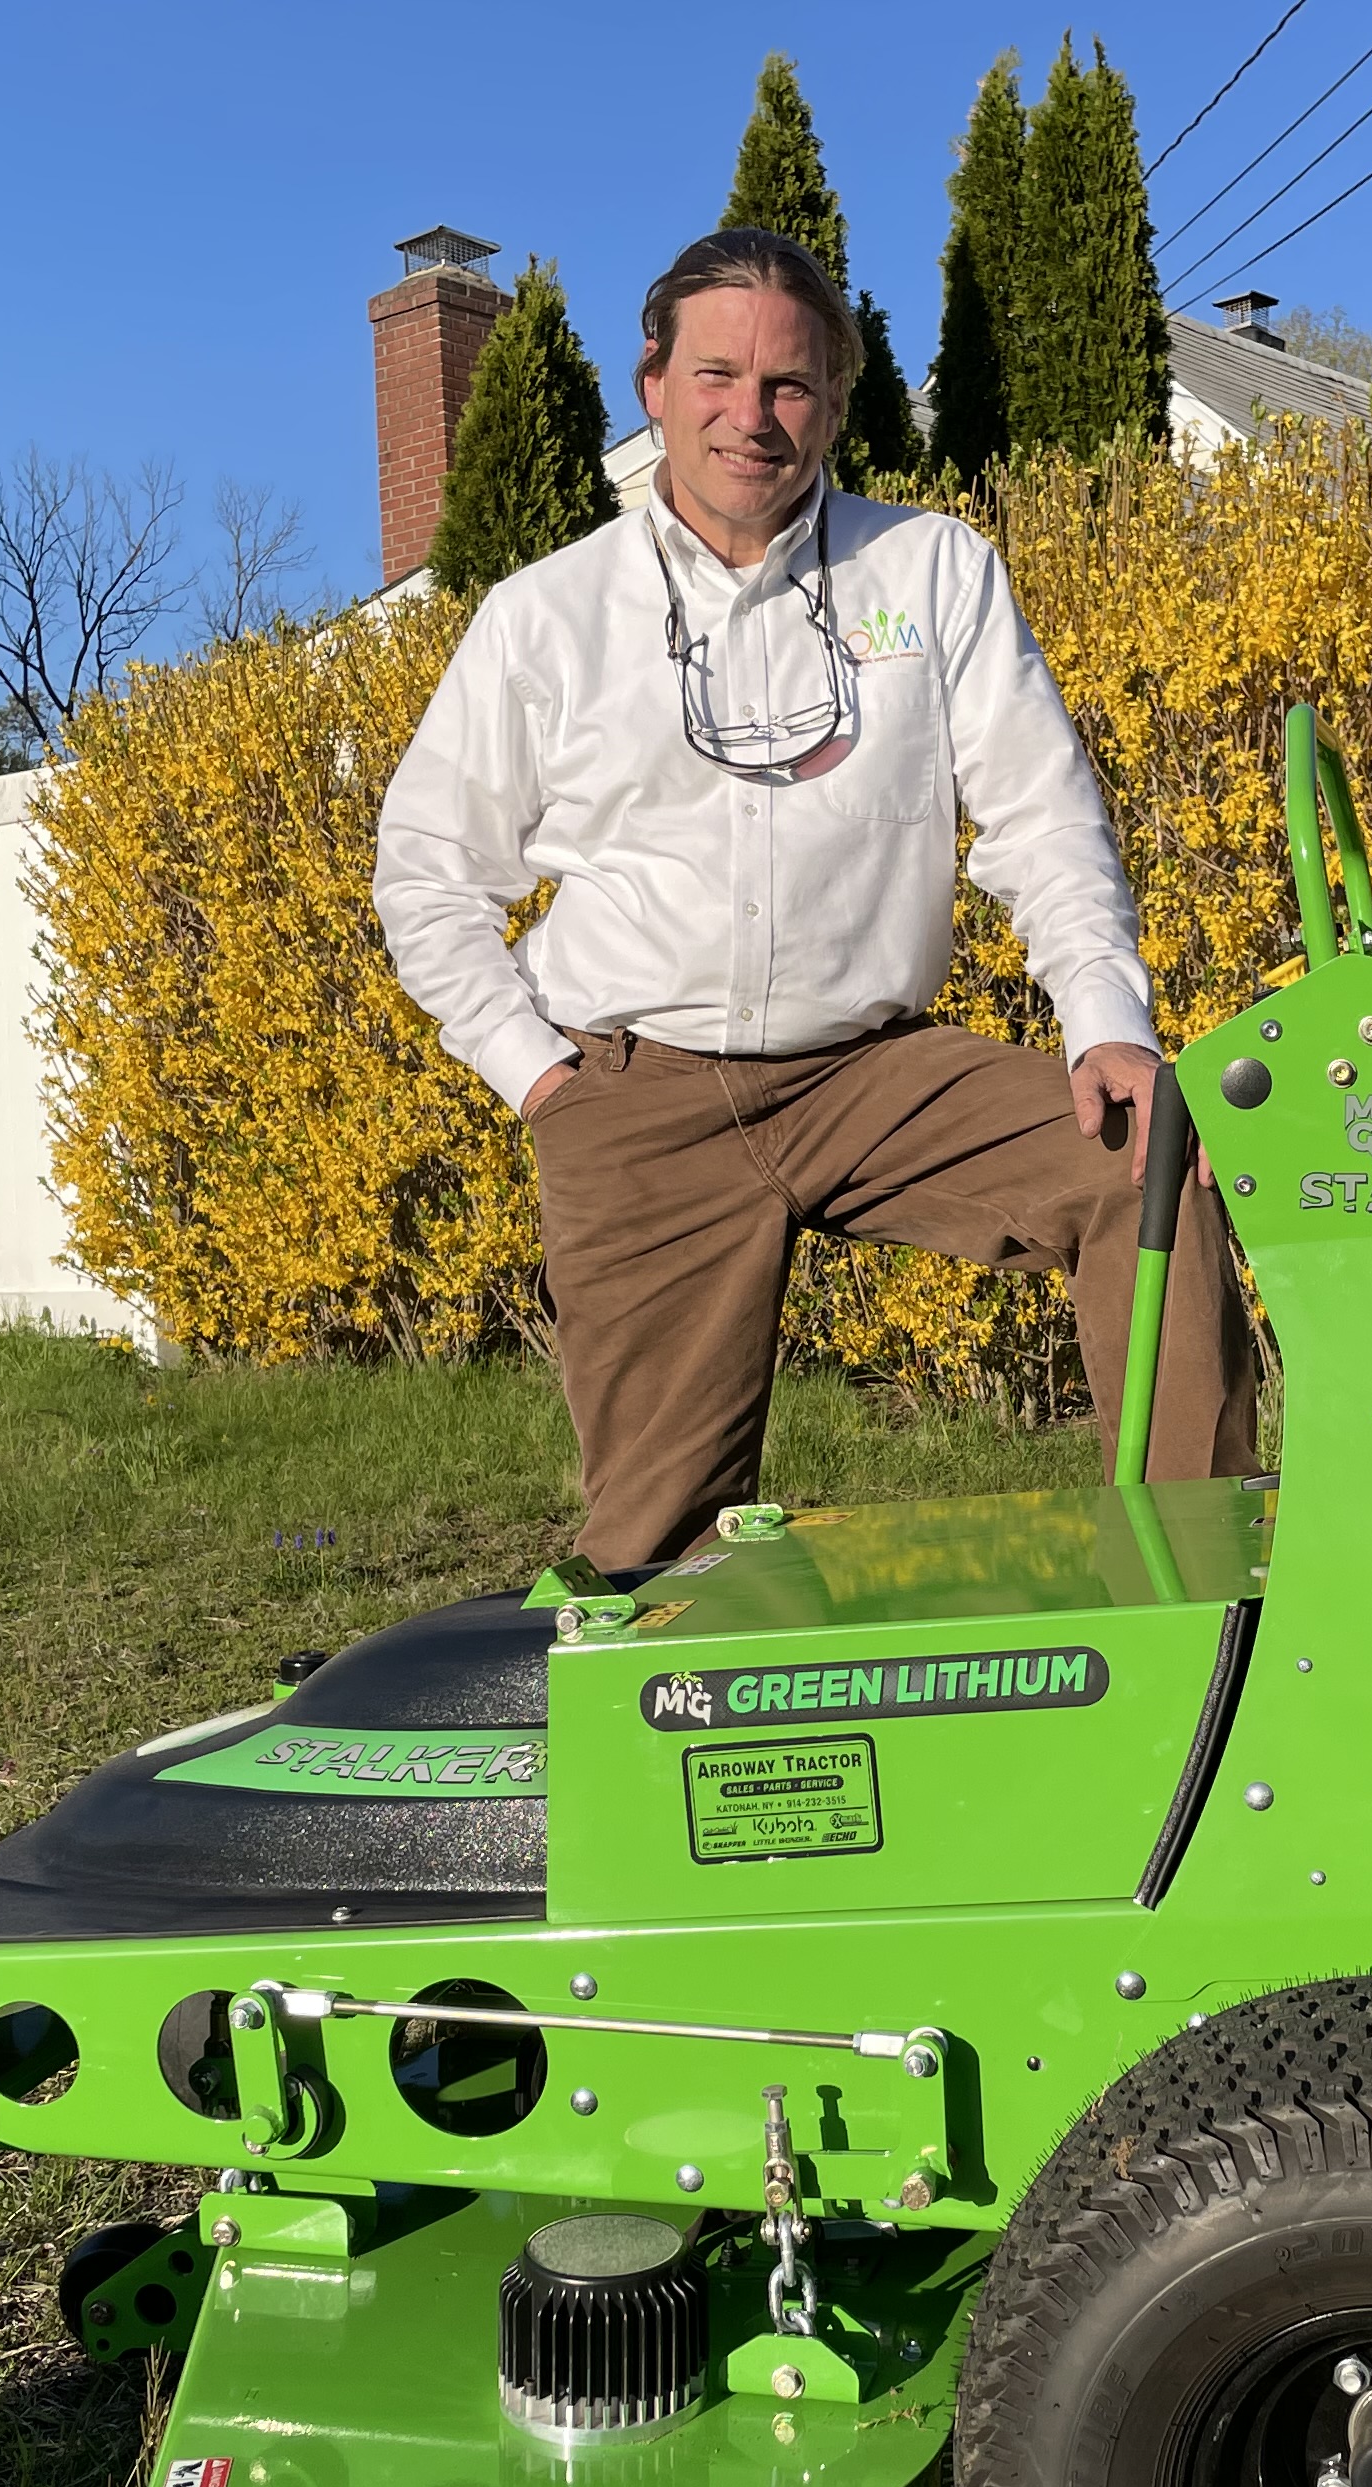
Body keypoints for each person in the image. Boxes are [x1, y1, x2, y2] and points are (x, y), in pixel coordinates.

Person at [375, 226, 1256, 1569]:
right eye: (717, 376)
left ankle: (1211, 1602)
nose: (753, 417)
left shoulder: (929, 571)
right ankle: (670, 1726)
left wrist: (1107, 1021)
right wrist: (543, 1082)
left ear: (834, 403)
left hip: (872, 1073)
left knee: (1146, 1166)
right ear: (653, 383)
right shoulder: (545, 619)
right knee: (654, 1551)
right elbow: (429, 874)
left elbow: (1039, 813)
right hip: (637, 1090)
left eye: (790, 385)